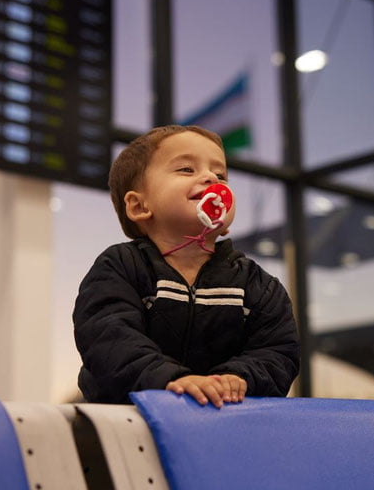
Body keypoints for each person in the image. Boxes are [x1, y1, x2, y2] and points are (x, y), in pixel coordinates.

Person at [73, 125, 300, 406]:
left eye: (220, 175)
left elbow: (277, 352)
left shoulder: (258, 285)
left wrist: (236, 378)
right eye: (186, 169)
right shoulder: (120, 268)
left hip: (220, 423)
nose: (210, 178)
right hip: (128, 424)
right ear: (139, 206)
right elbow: (108, 340)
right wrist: (168, 379)